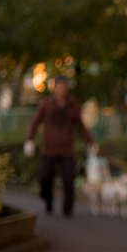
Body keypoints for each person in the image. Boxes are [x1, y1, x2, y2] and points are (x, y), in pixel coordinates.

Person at [24, 76, 98, 216]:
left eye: (63, 87)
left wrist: (90, 143)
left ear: (66, 88)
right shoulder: (45, 104)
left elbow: (81, 127)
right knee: (44, 178)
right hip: (49, 149)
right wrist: (29, 140)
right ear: (54, 88)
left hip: (66, 150)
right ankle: (48, 199)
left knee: (69, 179)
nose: (61, 90)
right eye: (58, 87)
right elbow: (34, 122)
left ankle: (67, 209)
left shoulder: (73, 105)